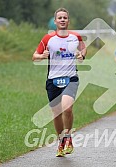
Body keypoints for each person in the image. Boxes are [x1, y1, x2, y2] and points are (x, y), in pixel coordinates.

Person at [32, 8, 86, 157]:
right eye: (60, 18)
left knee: (67, 109)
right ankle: (61, 141)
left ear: (68, 21)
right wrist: (42, 56)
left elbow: (83, 48)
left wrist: (81, 55)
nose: (62, 20)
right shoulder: (48, 38)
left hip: (71, 78)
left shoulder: (75, 37)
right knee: (56, 114)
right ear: (55, 21)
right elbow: (34, 56)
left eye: (65, 18)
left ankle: (68, 138)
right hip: (53, 79)